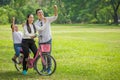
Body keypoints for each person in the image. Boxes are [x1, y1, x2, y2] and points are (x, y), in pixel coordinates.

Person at [35, 5, 58, 74]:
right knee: (42, 56)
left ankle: (49, 69)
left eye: (42, 12)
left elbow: (55, 16)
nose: (41, 13)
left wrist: (55, 9)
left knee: (48, 55)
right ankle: (44, 68)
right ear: (37, 14)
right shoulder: (36, 23)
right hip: (41, 41)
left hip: (48, 40)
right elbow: (38, 29)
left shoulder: (47, 19)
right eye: (39, 12)